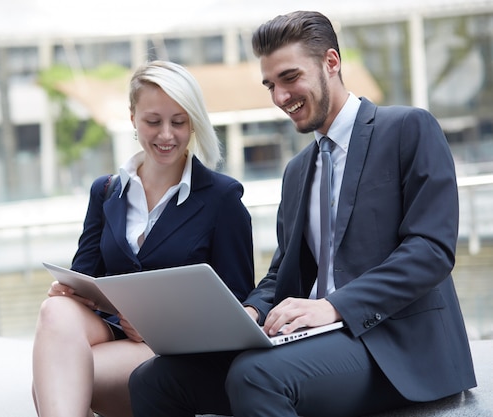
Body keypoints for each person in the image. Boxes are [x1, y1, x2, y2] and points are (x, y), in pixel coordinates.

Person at [129, 10, 476, 417]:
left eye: (290, 78)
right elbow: (282, 272)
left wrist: (335, 306)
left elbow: (430, 250)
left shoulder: (408, 129)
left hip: (395, 346)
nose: (279, 97)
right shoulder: (297, 172)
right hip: (314, 340)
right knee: (154, 379)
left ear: (331, 62)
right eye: (270, 85)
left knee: (256, 375)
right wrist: (250, 311)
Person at [31, 60, 255, 417]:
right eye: (153, 121)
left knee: (56, 375)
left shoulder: (221, 197)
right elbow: (86, 273)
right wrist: (70, 291)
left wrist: (159, 323)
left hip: (172, 350)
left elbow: (237, 306)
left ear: (193, 122)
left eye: (178, 122)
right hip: (113, 331)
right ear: (133, 117)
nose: (166, 135)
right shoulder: (106, 191)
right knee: (55, 310)